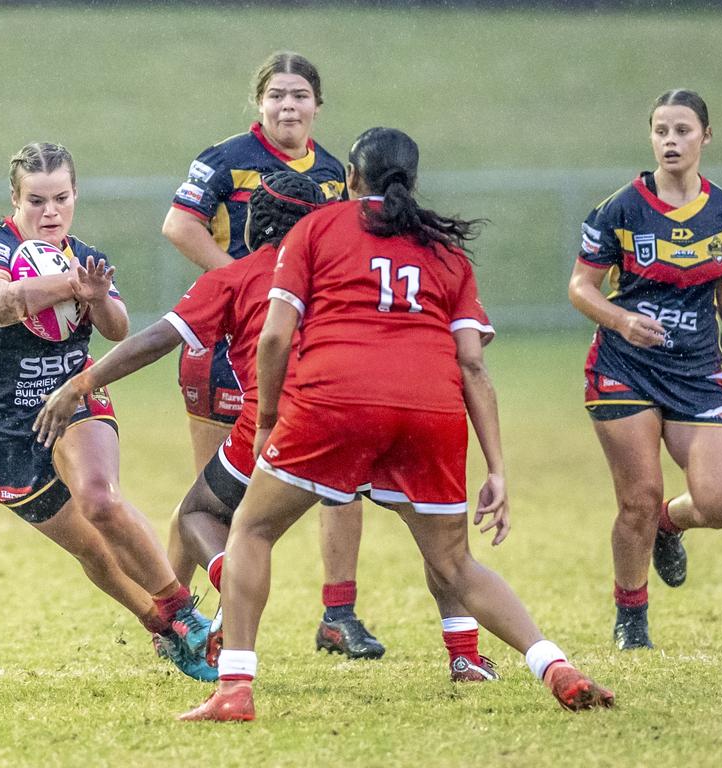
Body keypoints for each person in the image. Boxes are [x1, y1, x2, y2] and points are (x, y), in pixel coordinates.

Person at [179, 127, 616, 721]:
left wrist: (270, 420)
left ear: (351, 179)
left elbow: (277, 335)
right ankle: (553, 664)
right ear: (413, 181)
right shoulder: (446, 251)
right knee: (456, 564)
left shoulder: (316, 228)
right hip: (430, 412)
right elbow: (472, 366)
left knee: (250, 532)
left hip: (333, 404)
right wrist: (497, 468)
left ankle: (234, 690)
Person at [39, 170, 499, 683]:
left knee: (202, 515)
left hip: (292, 421)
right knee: (441, 544)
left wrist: (83, 383)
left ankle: (229, 604)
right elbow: (463, 346)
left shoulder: (236, 277)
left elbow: (155, 341)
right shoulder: (355, 269)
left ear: (253, 225)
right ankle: (466, 653)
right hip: (390, 413)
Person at [0, 141, 214, 681]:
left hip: (72, 396)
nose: (50, 212)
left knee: (100, 501)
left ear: (75, 196)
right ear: (14, 199)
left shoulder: (83, 255)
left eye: (61, 198)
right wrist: (71, 286)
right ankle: (164, 630)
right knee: (93, 549)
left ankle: (184, 613)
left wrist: (95, 295)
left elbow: (118, 328)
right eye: (36, 201)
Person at [161, 50, 382, 659]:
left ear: (317, 104)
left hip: (303, 345)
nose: (288, 106)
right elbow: (181, 226)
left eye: (300, 96)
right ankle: (173, 617)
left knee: (341, 481)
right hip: (227, 343)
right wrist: (251, 287)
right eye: (277, 95)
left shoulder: (336, 172)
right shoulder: (227, 159)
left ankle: (339, 613)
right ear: (260, 102)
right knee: (212, 499)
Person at [568, 89, 722, 651]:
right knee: (638, 495)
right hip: (625, 368)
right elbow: (580, 288)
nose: (671, 141)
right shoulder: (620, 209)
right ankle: (631, 616)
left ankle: (671, 524)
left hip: (697, 371)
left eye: (683, 131)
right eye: (661, 130)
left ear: (705, 137)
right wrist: (621, 321)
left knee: (720, 500)